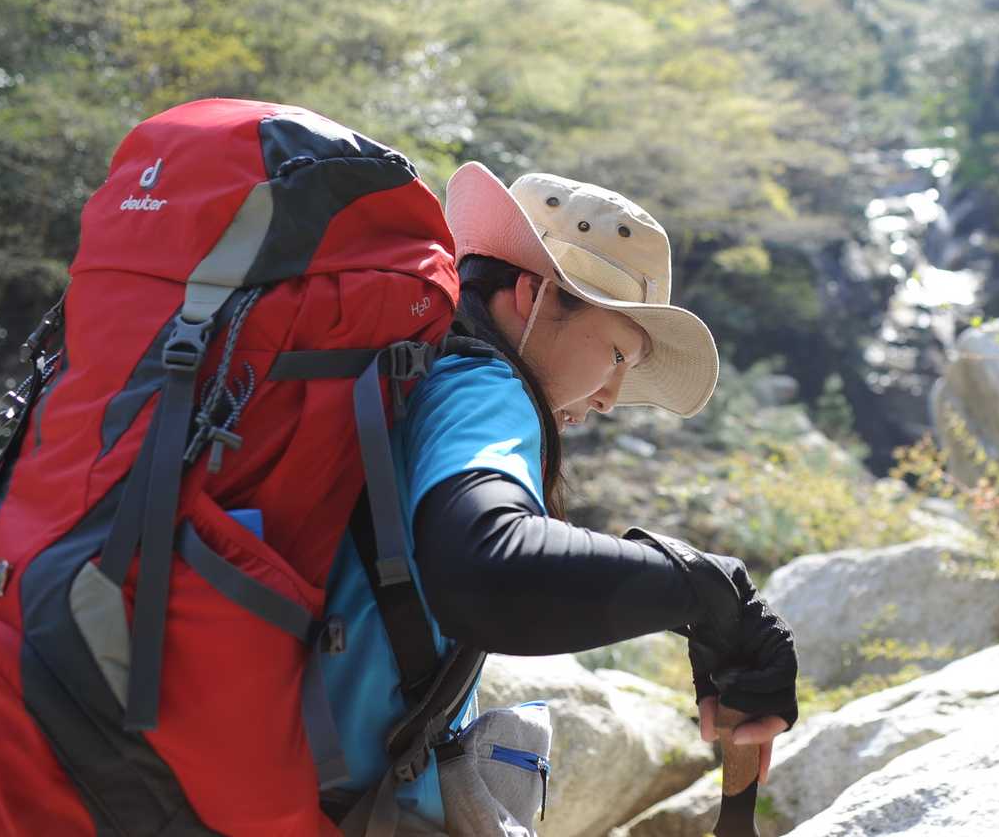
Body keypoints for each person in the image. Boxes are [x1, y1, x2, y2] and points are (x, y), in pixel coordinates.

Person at [318, 162, 800, 831]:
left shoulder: (411, 374)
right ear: (532, 295)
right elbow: (488, 570)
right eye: (618, 354)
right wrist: (712, 592)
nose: (609, 398)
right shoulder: (482, 386)